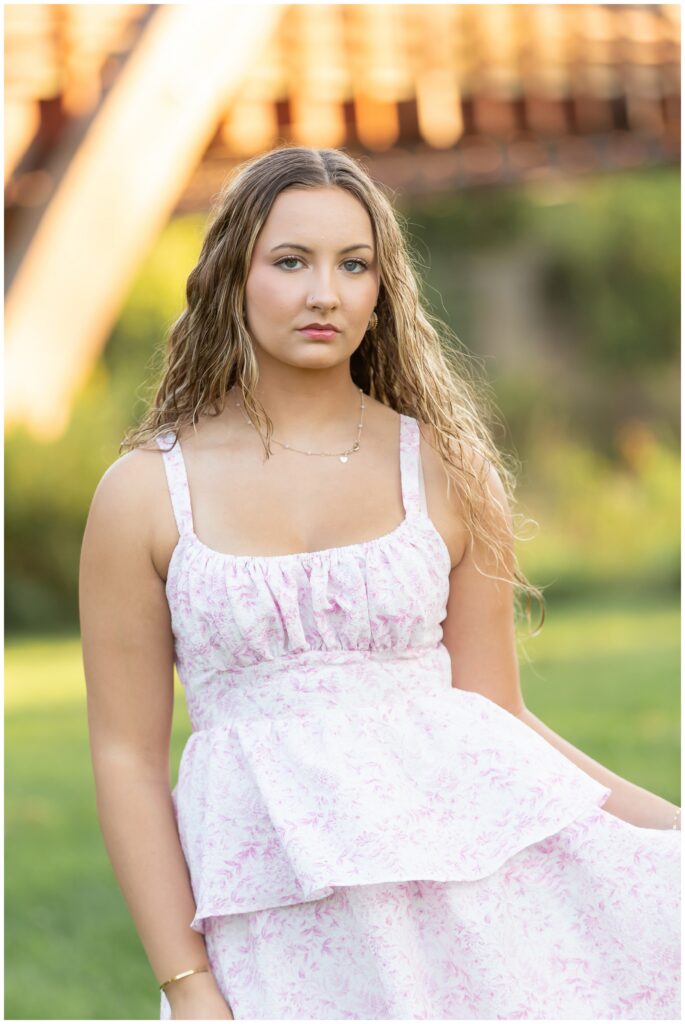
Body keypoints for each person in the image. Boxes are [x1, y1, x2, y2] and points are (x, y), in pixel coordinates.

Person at [79, 145, 680, 1021]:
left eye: (352, 265)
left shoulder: (443, 467)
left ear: (379, 290)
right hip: (278, 934)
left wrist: (664, 828)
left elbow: (495, 716)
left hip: (470, 906)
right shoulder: (141, 494)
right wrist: (189, 983)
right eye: (291, 261)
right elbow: (126, 759)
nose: (325, 291)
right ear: (230, 278)